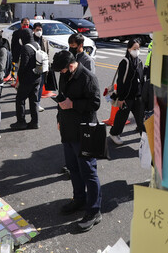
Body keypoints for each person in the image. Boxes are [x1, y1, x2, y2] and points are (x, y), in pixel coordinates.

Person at [52, 50, 102, 233]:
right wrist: (59, 118)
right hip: (68, 130)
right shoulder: (65, 75)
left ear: (71, 65)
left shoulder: (88, 77)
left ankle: (94, 211)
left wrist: (73, 104)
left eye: (63, 70)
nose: (61, 74)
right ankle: (79, 199)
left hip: (85, 131)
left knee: (89, 171)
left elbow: (95, 103)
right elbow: (61, 98)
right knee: (73, 168)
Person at [108, 39, 146, 145]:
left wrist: (143, 95)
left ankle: (144, 136)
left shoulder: (139, 62)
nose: (137, 51)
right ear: (129, 49)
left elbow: (141, 79)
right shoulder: (125, 62)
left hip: (137, 96)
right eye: (134, 49)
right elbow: (120, 82)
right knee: (122, 117)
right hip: (126, 96)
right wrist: (120, 98)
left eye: (138, 48)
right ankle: (114, 133)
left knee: (140, 117)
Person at [11, 31, 41, 130]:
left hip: (27, 79)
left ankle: (21, 122)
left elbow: (23, 65)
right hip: (37, 77)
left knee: (20, 100)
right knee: (34, 100)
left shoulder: (25, 48)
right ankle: (35, 122)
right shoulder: (37, 45)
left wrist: (19, 78)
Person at [32, 23, 51, 109]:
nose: (39, 32)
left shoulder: (44, 40)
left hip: (42, 67)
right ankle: (31, 102)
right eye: (37, 30)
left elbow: (47, 53)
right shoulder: (31, 40)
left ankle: (37, 103)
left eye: (40, 30)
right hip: (32, 66)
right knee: (31, 87)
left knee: (40, 86)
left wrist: (47, 66)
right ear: (33, 30)